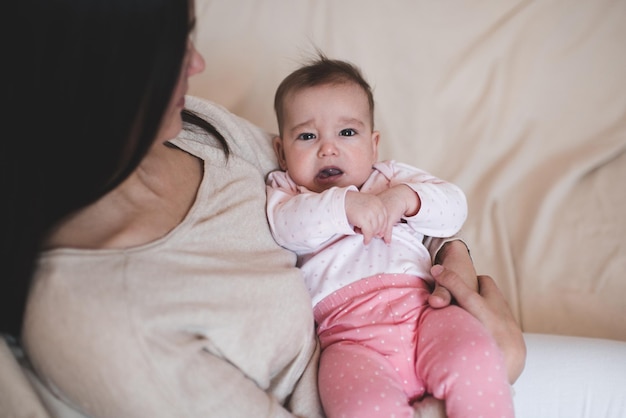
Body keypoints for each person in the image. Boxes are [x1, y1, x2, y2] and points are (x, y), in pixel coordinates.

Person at [2, 0, 524, 417]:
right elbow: (302, 214)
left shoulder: (195, 129)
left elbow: (435, 215)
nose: (198, 64)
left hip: (439, 340)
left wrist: (455, 264)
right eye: (168, 46)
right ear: (86, 70)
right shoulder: (103, 322)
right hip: (371, 378)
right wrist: (498, 366)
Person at [266, 55, 514, 417]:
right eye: (307, 136)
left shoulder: (390, 179)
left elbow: (454, 208)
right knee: (360, 407)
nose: (328, 148)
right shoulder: (288, 192)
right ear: (281, 153)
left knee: (477, 358)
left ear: (373, 144)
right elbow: (286, 228)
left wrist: (406, 199)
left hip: (425, 311)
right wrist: (344, 206)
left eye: (347, 133)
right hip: (348, 338)